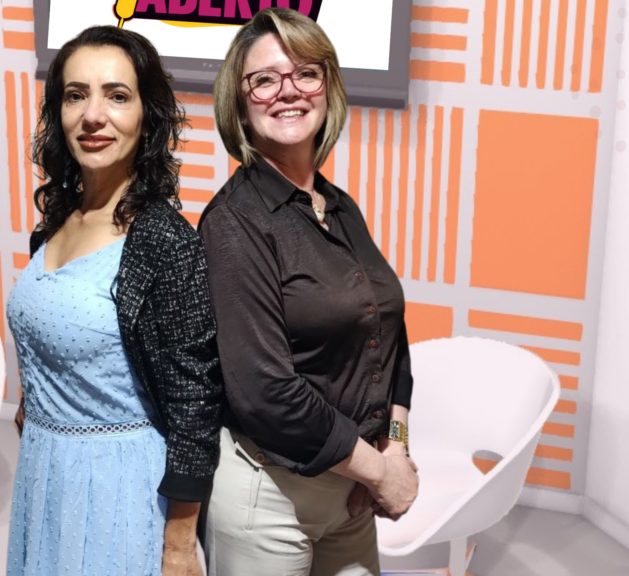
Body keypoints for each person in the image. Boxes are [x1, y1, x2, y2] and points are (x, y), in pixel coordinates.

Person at [198, 8, 419, 576]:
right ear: (240, 105)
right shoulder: (233, 222)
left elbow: (387, 336)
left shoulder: (338, 206)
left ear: (328, 88)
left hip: (351, 489)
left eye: (305, 73)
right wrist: (378, 471)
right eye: (265, 79)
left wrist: (395, 446)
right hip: (269, 499)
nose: (287, 92)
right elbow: (264, 391)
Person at [5, 25, 222, 576]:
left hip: (122, 487)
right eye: (76, 95)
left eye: (117, 96)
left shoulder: (163, 241)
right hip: (45, 472)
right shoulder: (56, 221)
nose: (93, 115)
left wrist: (178, 545)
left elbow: (196, 403)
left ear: (147, 115)